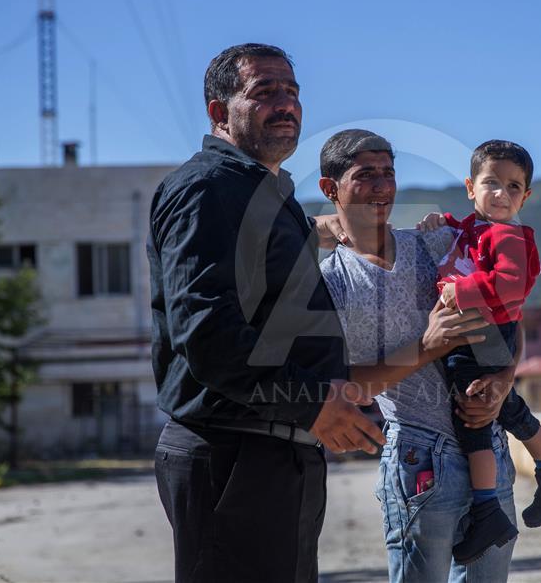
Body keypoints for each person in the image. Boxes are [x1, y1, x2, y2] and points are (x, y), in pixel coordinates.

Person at [147, 45, 483, 582]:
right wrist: (311, 407)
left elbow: (264, 279)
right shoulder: (208, 189)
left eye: (292, 92)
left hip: (275, 451)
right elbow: (207, 332)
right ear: (218, 113)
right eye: (264, 92)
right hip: (234, 454)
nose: (285, 104)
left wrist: (320, 227)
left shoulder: (262, 193)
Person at [318, 129, 524, 582]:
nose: (382, 186)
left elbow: (509, 317)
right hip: (419, 459)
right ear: (330, 189)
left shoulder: (435, 244)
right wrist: (428, 347)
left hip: (488, 449)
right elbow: (350, 387)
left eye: (388, 173)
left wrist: (505, 378)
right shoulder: (329, 282)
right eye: (365, 175)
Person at [424, 139, 541, 564]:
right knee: (508, 407)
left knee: (473, 415)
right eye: (491, 183)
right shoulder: (476, 228)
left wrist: (460, 290)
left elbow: (511, 286)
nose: (502, 194)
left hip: (484, 337)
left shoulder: (508, 235)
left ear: (525, 197)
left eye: (513, 188)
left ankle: (487, 510)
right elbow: (465, 236)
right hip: (484, 336)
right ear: (470, 187)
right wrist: (442, 221)